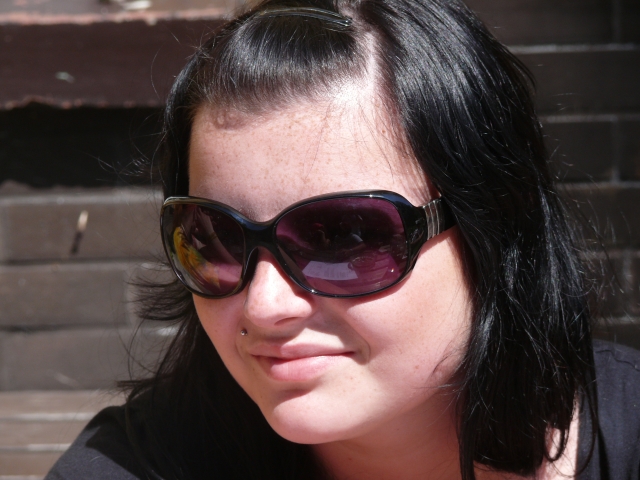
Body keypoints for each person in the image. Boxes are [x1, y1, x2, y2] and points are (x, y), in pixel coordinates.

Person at [45, 1, 640, 479]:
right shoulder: (129, 465)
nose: (264, 306)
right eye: (215, 237)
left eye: (345, 237)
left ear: (492, 227)